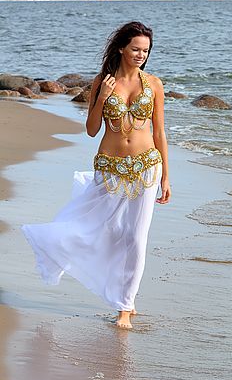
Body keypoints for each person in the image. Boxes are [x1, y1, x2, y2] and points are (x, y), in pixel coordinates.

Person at [22, 21, 171, 329]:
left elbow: (160, 132)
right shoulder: (102, 82)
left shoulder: (153, 84)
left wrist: (166, 177)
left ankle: (125, 307)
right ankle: (101, 278)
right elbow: (91, 131)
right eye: (135, 49)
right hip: (110, 168)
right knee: (101, 231)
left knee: (136, 237)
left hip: (146, 168)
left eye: (145, 50)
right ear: (121, 48)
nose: (141, 55)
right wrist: (102, 98)